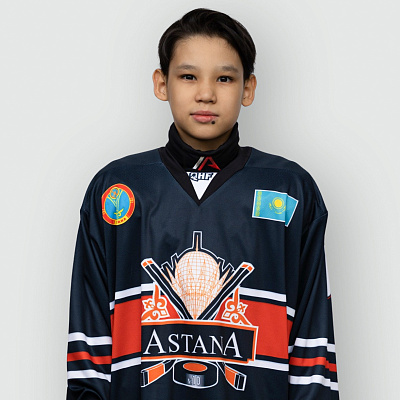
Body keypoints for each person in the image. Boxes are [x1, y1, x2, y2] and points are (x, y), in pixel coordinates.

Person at [66, 8, 339, 400]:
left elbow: (313, 343)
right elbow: (88, 342)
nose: (206, 93)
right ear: (162, 83)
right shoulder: (117, 190)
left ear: (248, 88)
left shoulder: (291, 190)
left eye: (224, 78)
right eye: (188, 76)